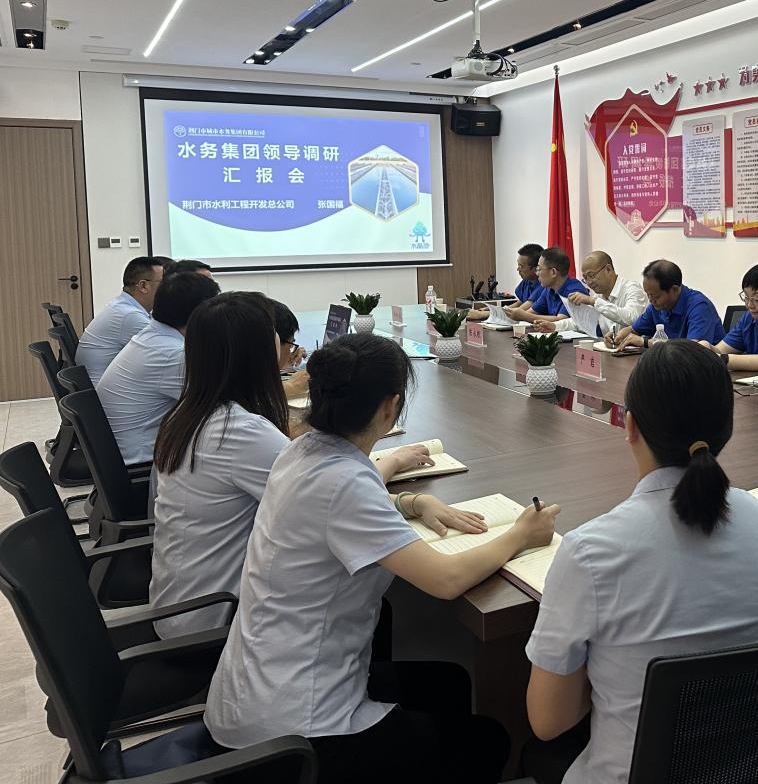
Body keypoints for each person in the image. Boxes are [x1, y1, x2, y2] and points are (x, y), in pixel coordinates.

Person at [205, 333, 557, 783]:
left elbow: (346, 494)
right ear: (391, 407)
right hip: (295, 730)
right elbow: (445, 579)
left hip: (256, 689)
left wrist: (411, 498)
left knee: (449, 684)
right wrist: (520, 535)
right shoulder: (343, 483)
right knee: (487, 740)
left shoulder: (300, 451)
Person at [523, 340, 758, 784]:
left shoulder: (591, 552)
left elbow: (548, 721)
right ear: (727, 428)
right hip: (756, 770)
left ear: (629, 425)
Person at [150, 294, 444, 638]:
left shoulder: (193, 412)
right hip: (214, 620)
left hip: (183, 600)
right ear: (257, 354)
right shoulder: (240, 432)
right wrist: (395, 466)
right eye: (276, 338)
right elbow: (328, 490)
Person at [97, 270, 220, 466]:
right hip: (141, 464)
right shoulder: (173, 354)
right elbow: (221, 408)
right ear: (201, 314)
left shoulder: (153, 337)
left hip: (120, 453)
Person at [75, 256, 164, 384]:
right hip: (102, 390)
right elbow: (164, 355)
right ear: (143, 286)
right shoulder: (130, 316)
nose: (168, 288)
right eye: (164, 283)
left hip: (97, 385)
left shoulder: (122, 306)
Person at [611, 260, 725, 349]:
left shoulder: (699, 307)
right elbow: (634, 330)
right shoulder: (656, 306)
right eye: (648, 295)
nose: (651, 300)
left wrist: (646, 342)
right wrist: (618, 336)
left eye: (655, 296)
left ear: (674, 290)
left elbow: (692, 350)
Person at [544, 251, 648, 335]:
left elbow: (633, 318)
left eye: (591, 275)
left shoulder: (632, 288)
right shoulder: (599, 296)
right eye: (585, 278)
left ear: (608, 269)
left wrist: (594, 301)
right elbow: (583, 321)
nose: (589, 282)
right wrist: (554, 326)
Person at [513, 248, 593, 331]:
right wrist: (516, 314)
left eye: (539, 269)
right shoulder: (548, 289)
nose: (537, 273)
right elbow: (532, 312)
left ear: (553, 272)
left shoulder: (574, 291)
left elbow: (561, 320)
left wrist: (524, 316)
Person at [504, 243, 546, 320]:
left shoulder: (543, 285)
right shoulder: (526, 281)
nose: (518, 269)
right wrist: (494, 310)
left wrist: (483, 314)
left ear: (535, 269)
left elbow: (518, 312)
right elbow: (519, 303)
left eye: (521, 266)